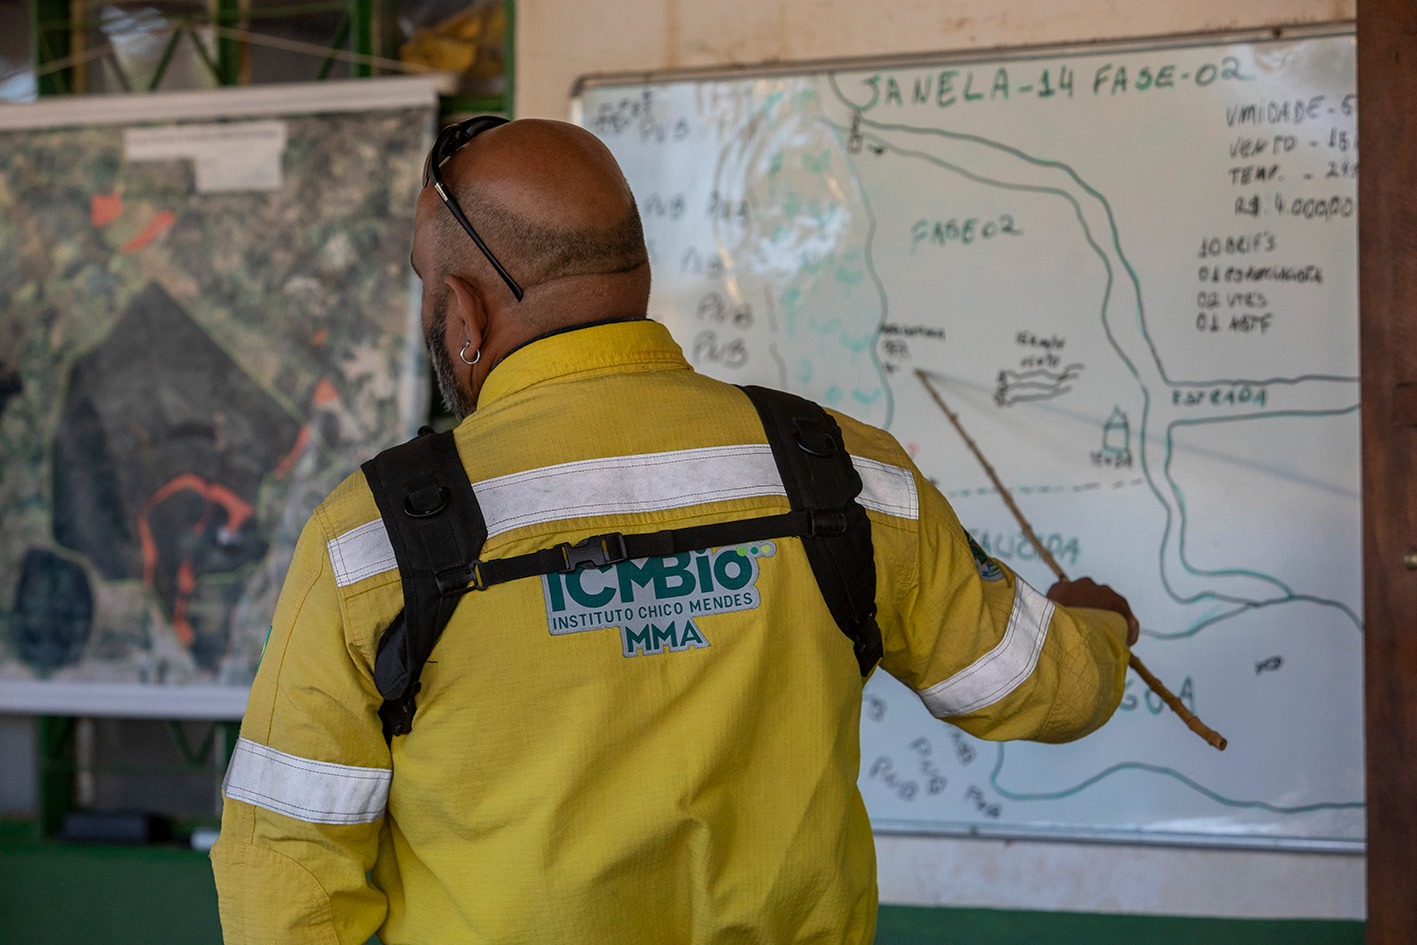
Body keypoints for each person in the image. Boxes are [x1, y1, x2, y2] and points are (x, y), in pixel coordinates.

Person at [210, 117, 1138, 945]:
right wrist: (1097, 627)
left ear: (465, 312)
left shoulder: (368, 535)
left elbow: (284, 867)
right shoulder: (839, 468)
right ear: (634, 273)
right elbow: (1037, 688)